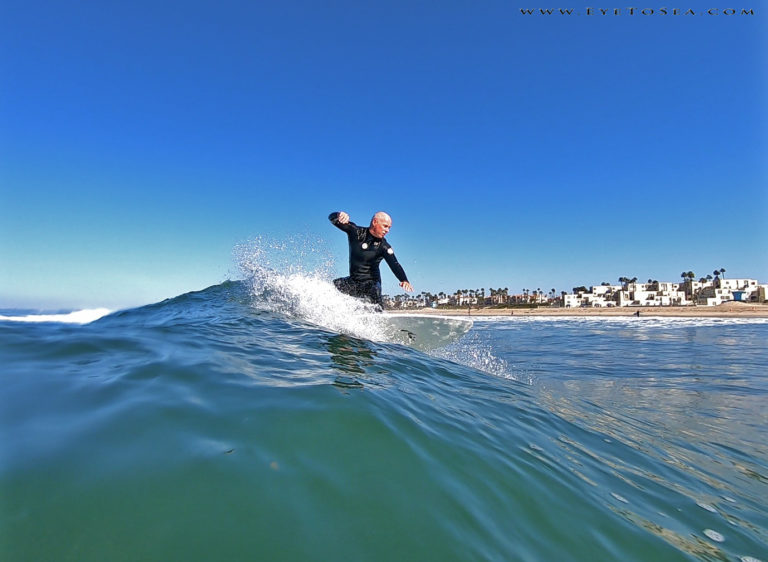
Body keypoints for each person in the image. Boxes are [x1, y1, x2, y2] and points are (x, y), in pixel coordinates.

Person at [329, 210, 413, 309]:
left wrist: (404, 280)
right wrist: (338, 215)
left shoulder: (384, 247)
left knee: (375, 290)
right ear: (375, 222)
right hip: (353, 282)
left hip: (371, 284)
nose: (387, 230)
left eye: (389, 228)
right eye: (385, 226)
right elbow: (332, 219)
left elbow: (394, 264)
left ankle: (379, 314)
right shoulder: (356, 232)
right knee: (333, 286)